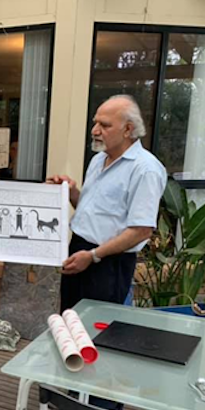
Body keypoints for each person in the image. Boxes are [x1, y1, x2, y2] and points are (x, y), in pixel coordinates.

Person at [48, 94, 167, 312]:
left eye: (104, 125)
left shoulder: (145, 169)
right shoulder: (98, 159)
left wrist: (93, 256)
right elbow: (91, 209)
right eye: (95, 122)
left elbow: (141, 230)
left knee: (97, 329)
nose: (94, 130)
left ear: (128, 130)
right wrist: (71, 192)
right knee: (69, 321)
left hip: (108, 262)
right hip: (79, 251)